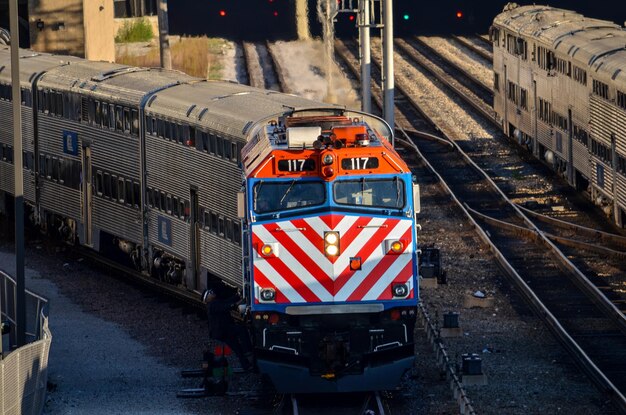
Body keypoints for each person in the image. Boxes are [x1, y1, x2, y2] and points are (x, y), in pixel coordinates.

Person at [202, 287, 254, 372]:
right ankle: (248, 350)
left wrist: (237, 296)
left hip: (222, 332)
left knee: (237, 348)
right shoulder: (212, 305)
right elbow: (225, 306)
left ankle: (247, 366)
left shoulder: (215, 303)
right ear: (207, 298)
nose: (212, 292)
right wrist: (234, 305)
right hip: (223, 330)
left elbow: (226, 302)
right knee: (241, 329)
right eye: (210, 293)